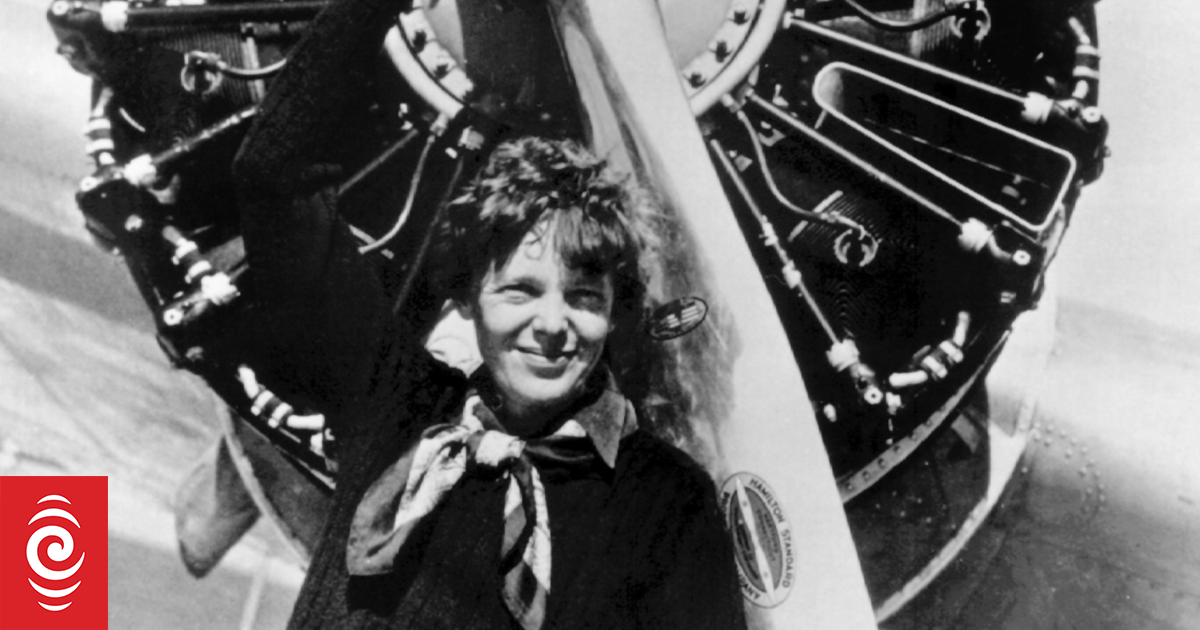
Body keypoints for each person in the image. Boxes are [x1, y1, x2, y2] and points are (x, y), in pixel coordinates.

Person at [232, 0, 747, 628]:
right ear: (466, 296)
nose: (552, 325)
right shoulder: (390, 401)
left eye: (584, 297)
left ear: (616, 314)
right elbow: (273, 175)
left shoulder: (668, 506)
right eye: (520, 291)